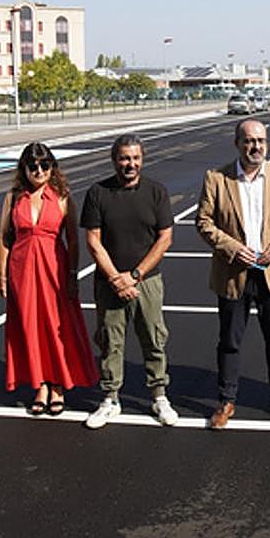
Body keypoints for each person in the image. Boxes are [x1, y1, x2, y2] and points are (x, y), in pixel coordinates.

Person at [196, 118, 270, 429]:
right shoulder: (216, 178)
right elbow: (204, 222)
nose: (255, 146)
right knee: (229, 340)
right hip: (233, 273)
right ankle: (227, 400)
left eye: (260, 141)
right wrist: (232, 248)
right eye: (248, 141)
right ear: (237, 144)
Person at [80, 133, 178, 429]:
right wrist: (115, 279)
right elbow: (94, 241)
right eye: (124, 158)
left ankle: (159, 396)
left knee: (154, 338)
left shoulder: (156, 192)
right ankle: (110, 398)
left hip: (146, 281)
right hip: (109, 283)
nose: (130, 164)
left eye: (135, 158)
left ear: (142, 159)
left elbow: (165, 238)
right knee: (111, 341)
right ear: (114, 160)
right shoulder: (98, 193)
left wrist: (135, 275)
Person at [0, 142, 98, 415]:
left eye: (44, 165)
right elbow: (5, 239)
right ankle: (39, 384)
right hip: (22, 271)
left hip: (55, 270)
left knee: (56, 326)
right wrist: (3, 276)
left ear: (53, 167)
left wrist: (73, 275)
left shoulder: (63, 197)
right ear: (24, 169)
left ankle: (58, 385)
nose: (38, 171)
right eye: (32, 166)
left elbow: (74, 242)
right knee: (29, 327)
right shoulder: (13, 198)